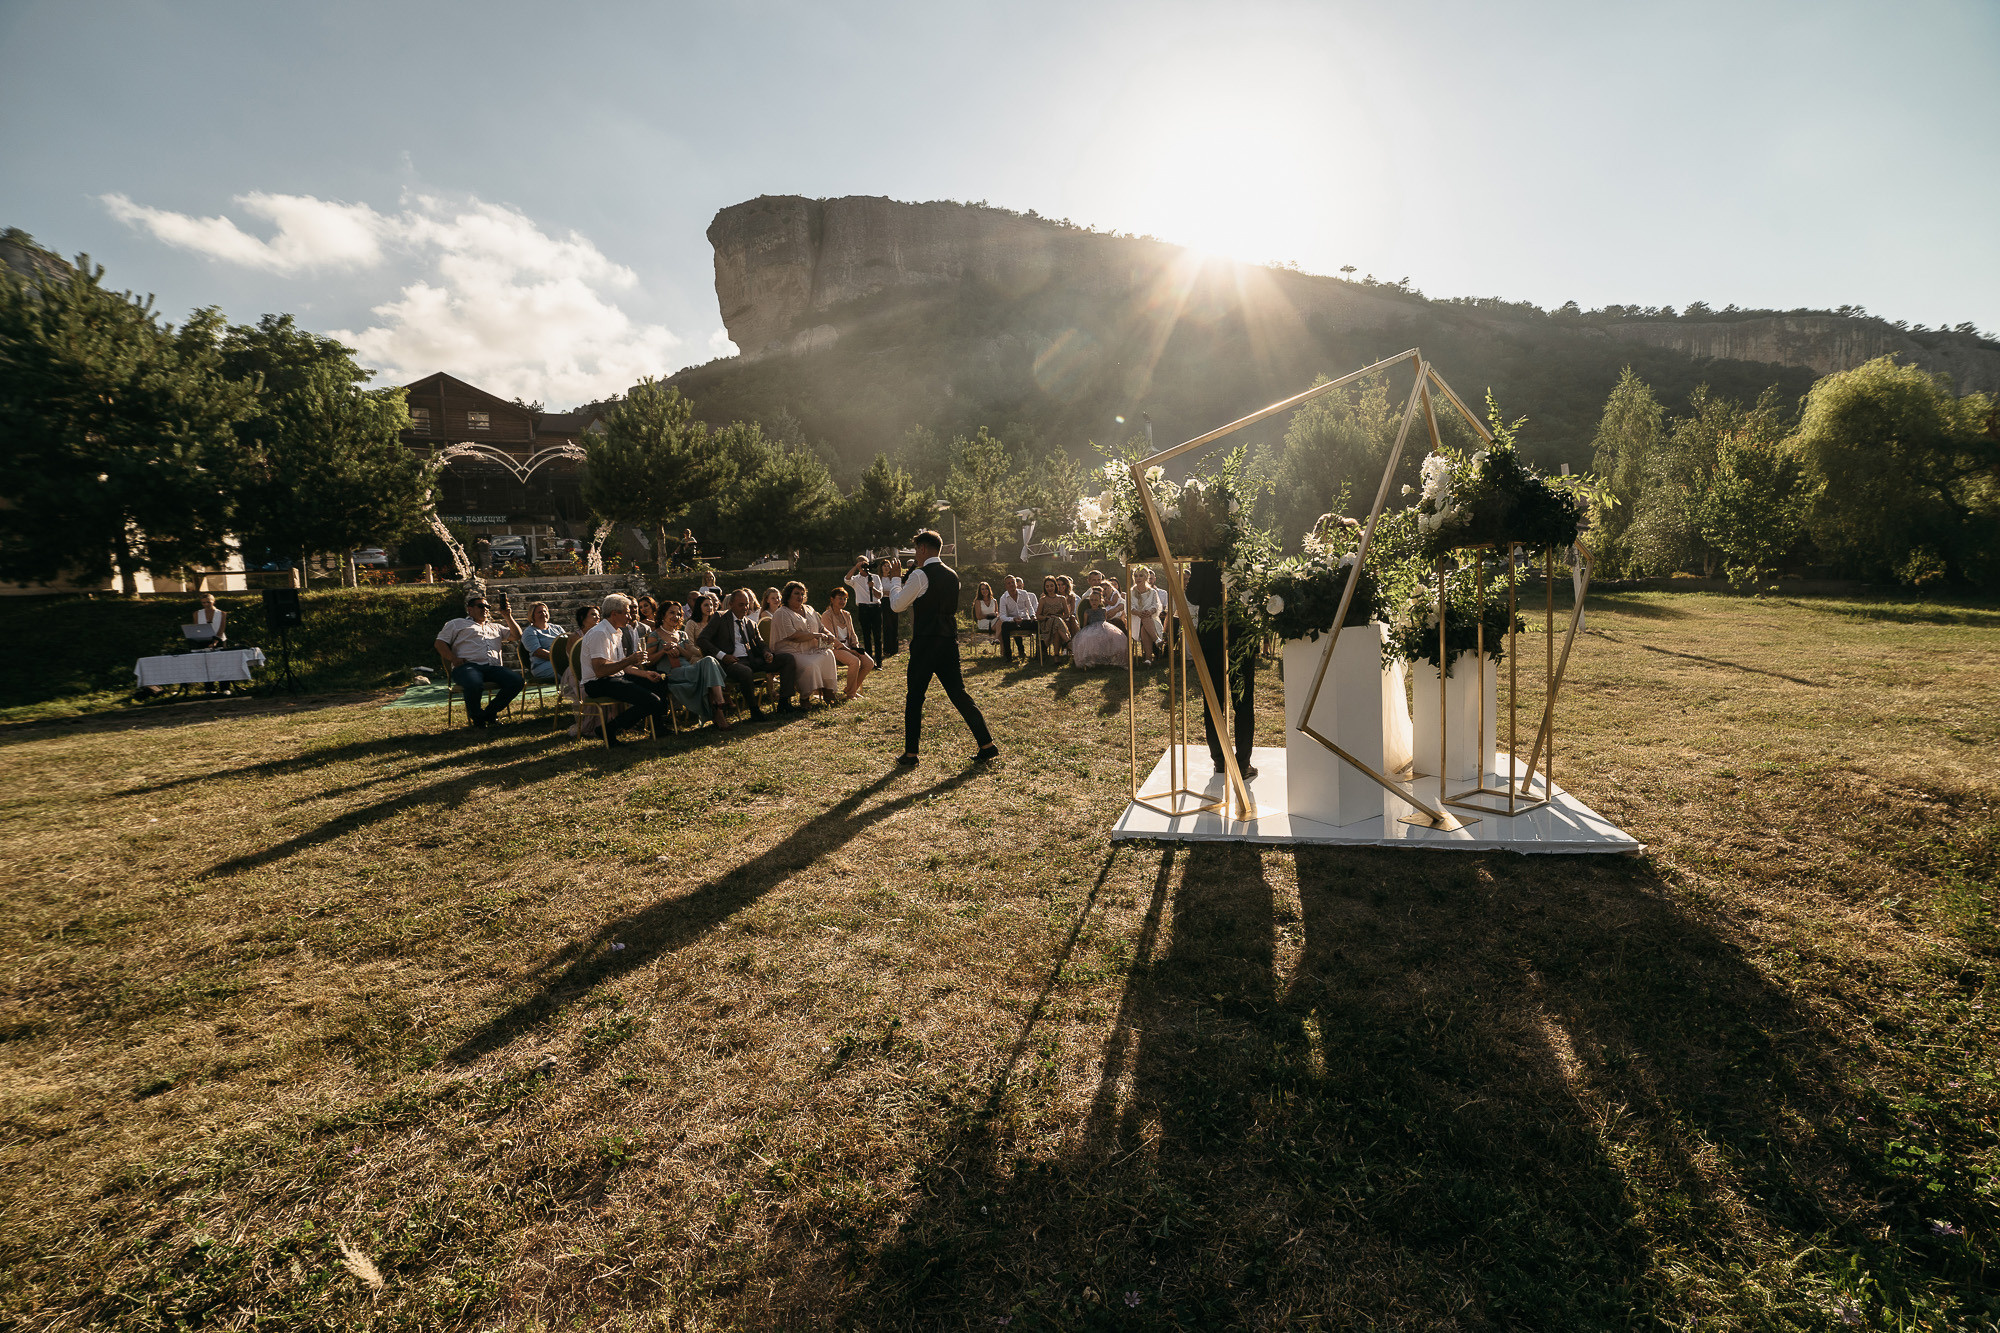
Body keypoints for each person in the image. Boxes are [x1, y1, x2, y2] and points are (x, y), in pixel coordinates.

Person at [891, 529, 996, 766]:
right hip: (948, 640)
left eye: (916, 549)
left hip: (926, 641)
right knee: (958, 694)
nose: (915, 554)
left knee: (915, 697)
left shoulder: (919, 575)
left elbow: (897, 605)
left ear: (922, 549)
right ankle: (986, 744)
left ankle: (911, 754)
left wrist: (897, 579)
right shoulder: (952, 575)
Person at [1186, 559, 1257, 780]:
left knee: (1213, 698)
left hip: (1212, 630)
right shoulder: (1244, 549)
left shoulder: (1201, 558)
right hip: (1241, 627)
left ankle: (1219, 760)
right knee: (1242, 698)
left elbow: (1193, 596)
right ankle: (1243, 763)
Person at [576, 592, 670, 747]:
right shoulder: (600, 633)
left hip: (614, 677)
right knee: (652, 701)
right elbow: (600, 671)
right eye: (627, 612)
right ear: (614, 614)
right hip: (597, 683)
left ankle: (658, 727)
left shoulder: (616, 631)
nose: (631, 616)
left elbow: (622, 665)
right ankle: (608, 729)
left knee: (660, 678)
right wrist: (631, 659)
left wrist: (645, 673)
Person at [698, 588, 800, 718]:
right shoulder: (720, 617)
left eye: (746, 604)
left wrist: (766, 653)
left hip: (753, 659)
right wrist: (722, 656)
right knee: (745, 671)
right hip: (731, 662)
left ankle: (784, 702)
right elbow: (702, 640)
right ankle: (754, 710)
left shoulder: (751, 623)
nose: (745, 607)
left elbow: (761, 643)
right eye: (741, 605)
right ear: (731, 604)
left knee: (787, 659)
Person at [435, 593, 525, 729]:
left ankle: (489, 713)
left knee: (517, 681)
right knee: (473, 683)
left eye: (487, 606)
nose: (485, 609)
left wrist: (507, 615)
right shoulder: (457, 624)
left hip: (493, 668)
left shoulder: (496, 627)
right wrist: (453, 658)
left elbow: (517, 635)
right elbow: (439, 643)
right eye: (481, 606)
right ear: (469, 609)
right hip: (467, 666)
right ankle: (478, 719)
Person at [652, 603, 733, 730]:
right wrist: (664, 651)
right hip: (671, 673)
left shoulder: (682, 634)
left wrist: (678, 647)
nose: (676, 616)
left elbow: (690, 656)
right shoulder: (655, 635)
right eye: (671, 613)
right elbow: (649, 661)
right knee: (708, 669)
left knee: (709, 660)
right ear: (663, 615)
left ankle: (718, 702)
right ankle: (719, 705)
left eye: (678, 614)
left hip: (688, 669)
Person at [768, 580, 841, 703]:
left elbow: (821, 627)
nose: (800, 597)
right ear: (788, 595)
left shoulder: (809, 609)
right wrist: (815, 635)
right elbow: (793, 635)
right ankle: (805, 697)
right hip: (790, 651)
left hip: (811, 649)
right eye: (796, 593)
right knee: (809, 664)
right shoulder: (782, 613)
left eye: (802, 594)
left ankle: (829, 692)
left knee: (829, 655)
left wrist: (828, 634)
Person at [822, 585, 875, 699]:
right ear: (832, 599)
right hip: (835, 648)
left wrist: (856, 647)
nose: (843, 601)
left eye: (845, 599)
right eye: (840, 598)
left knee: (869, 662)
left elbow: (853, 634)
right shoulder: (826, 616)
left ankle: (851, 689)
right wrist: (849, 651)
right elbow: (831, 638)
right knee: (854, 661)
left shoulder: (846, 614)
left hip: (849, 647)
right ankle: (851, 694)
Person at [1070, 585, 1130, 669]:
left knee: (1115, 636)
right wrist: (1082, 632)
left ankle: (1112, 658)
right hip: (1091, 627)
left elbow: (1105, 621)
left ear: (1100, 600)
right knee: (1090, 637)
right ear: (1089, 601)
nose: (1094, 602)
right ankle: (1091, 659)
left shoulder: (1103, 610)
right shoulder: (1087, 612)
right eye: (1092, 600)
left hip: (1103, 626)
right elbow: (1084, 624)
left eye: (1096, 600)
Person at [845, 556, 884, 660]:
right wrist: (855, 567)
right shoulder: (855, 579)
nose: (863, 566)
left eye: (865, 563)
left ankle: (879, 661)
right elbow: (846, 579)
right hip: (863, 609)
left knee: (877, 636)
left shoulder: (875, 577)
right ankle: (870, 659)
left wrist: (873, 587)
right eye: (861, 564)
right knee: (866, 635)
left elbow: (879, 595)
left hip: (875, 608)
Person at [519, 600, 566, 683]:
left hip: (563, 660)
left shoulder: (557, 628)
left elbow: (567, 643)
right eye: (540, 612)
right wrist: (559, 658)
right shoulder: (529, 632)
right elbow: (537, 652)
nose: (544, 614)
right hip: (543, 666)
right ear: (532, 615)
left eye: (545, 611)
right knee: (569, 670)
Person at [1129, 566, 1167, 666]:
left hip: (1152, 620)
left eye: (1141, 576)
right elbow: (1129, 607)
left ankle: (1148, 659)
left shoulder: (1152, 592)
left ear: (1146, 577)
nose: (1138, 578)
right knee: (1143, 620)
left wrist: (1150, 611)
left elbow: (1157, 606)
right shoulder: (1131, 592)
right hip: (1136, 620)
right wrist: (1138, 613)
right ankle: (1156, 640)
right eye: (1136, 576)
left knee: (1145, 625)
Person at [997, 576, 1039, 663]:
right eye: (1009, 583)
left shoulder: (1024, 593)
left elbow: (1030, 608)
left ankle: (1039, 653)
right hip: (1013, 622)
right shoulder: (1003, 598)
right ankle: (1008, 656)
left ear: (1016, 584)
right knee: (1004, 626)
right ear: (1006, 586)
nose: (1011, 584)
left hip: (1025, 620)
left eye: (1013, 582)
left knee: (1037, 624)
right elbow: (1002, 616)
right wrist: (1013, 619)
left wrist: (1032, 616)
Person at [1037, 574, 1078, 656]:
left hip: (1059, 622)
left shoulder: (1062, 598)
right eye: (1047, 586)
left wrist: (1059, 617)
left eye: (1052, 586)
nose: (1050, 588)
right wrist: (1047, 617)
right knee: (1056, 621)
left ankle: (1057, 656)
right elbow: (1038, 615)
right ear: (1044, 588)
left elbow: (1067, 614)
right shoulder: (1043, 599)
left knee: (1057, 622)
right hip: (1047, 623)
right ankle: (1069, 643)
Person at [877, 558, 903, 660]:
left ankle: (894, 649)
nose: (887, 568)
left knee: (894, 623)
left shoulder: (893, 578)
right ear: (881, 568)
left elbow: (897, 589)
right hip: (883, 602)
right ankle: (887, 649)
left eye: (888, 566)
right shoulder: (879, 579)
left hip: (892, 600)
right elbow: (879, 592)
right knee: (886, 625)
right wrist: (886, 593)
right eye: (885, 566)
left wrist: (888, 592)